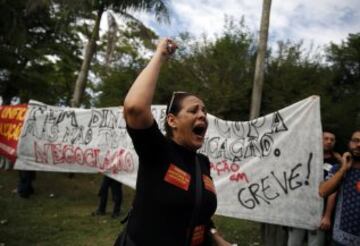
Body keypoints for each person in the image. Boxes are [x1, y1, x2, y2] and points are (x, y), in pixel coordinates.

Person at [115, 38, 233, 246]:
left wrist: (214, 236)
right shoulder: (156, 150)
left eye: (204, 111)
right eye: (194, 110)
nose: (203, 115)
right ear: (172, 120)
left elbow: (199, 210)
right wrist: (160, 55)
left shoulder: (202, 163)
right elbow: (134, 107)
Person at [287, 131, 341, 246]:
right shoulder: (306, 156)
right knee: (293, 242)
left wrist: (327, 216)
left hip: (320, 213)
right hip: (299, 210)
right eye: (326, 138)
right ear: (319, 139)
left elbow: (333, 191)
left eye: (332, 140)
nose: (329, 141)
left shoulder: (337, 163)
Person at [319, 129, 360, 246]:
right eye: (355, 140)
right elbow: (323, 191)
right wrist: (343, 169)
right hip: (340, 239)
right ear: (349, 143)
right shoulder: (338, 169)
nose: (359, 144)